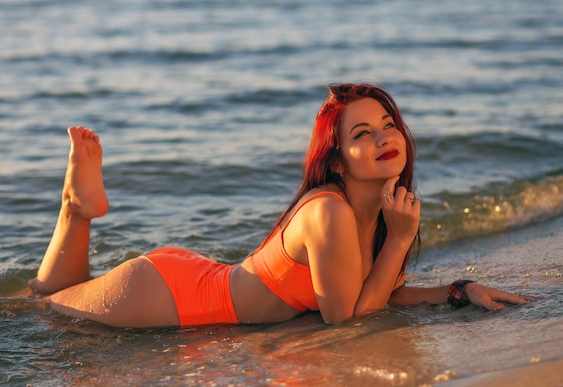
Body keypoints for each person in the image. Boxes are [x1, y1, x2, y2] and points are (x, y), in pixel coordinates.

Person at [30, 83, 530, 328]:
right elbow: (348, 318)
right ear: (336, 162)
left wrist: (458, 290)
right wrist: (400, 239)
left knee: (53, 297)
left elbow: (377, 294)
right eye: (362, 133)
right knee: (32, 312)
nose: (383, 137)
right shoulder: (329, 212)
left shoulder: (372, 213)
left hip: (191, 276)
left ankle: (76, 208)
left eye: (387, 124)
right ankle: (75, 206)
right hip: (169, 295)